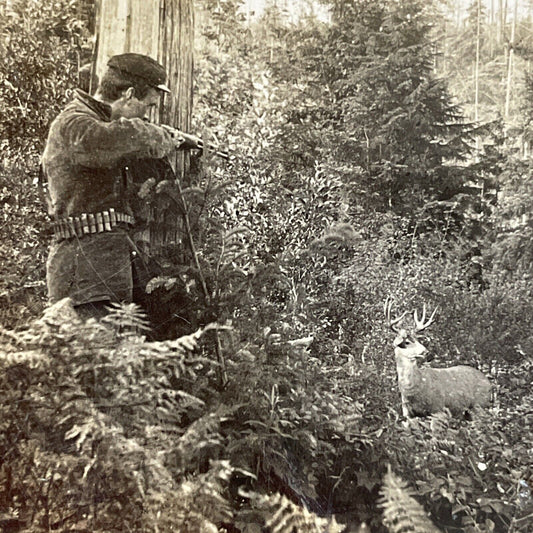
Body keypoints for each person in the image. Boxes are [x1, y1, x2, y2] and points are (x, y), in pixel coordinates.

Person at [42, 53, 188, 320]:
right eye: (148, 106)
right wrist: (158, 135)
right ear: (129, 94)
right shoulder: (74, 122)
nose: (147, 115)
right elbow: (103, 142)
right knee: (94, 356)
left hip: (105, 265)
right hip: (83, 269)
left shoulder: (102, 127)